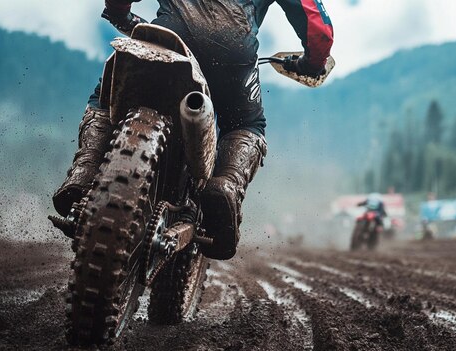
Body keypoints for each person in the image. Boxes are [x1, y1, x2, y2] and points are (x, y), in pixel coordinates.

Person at [52, 0, 334, 260]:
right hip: (232, 53)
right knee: (247, 124)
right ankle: (226, 184)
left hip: (168, 37)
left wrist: (118, 11)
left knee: (106, 97)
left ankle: (85, 170)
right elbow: (317, 26)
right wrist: (313, 63)